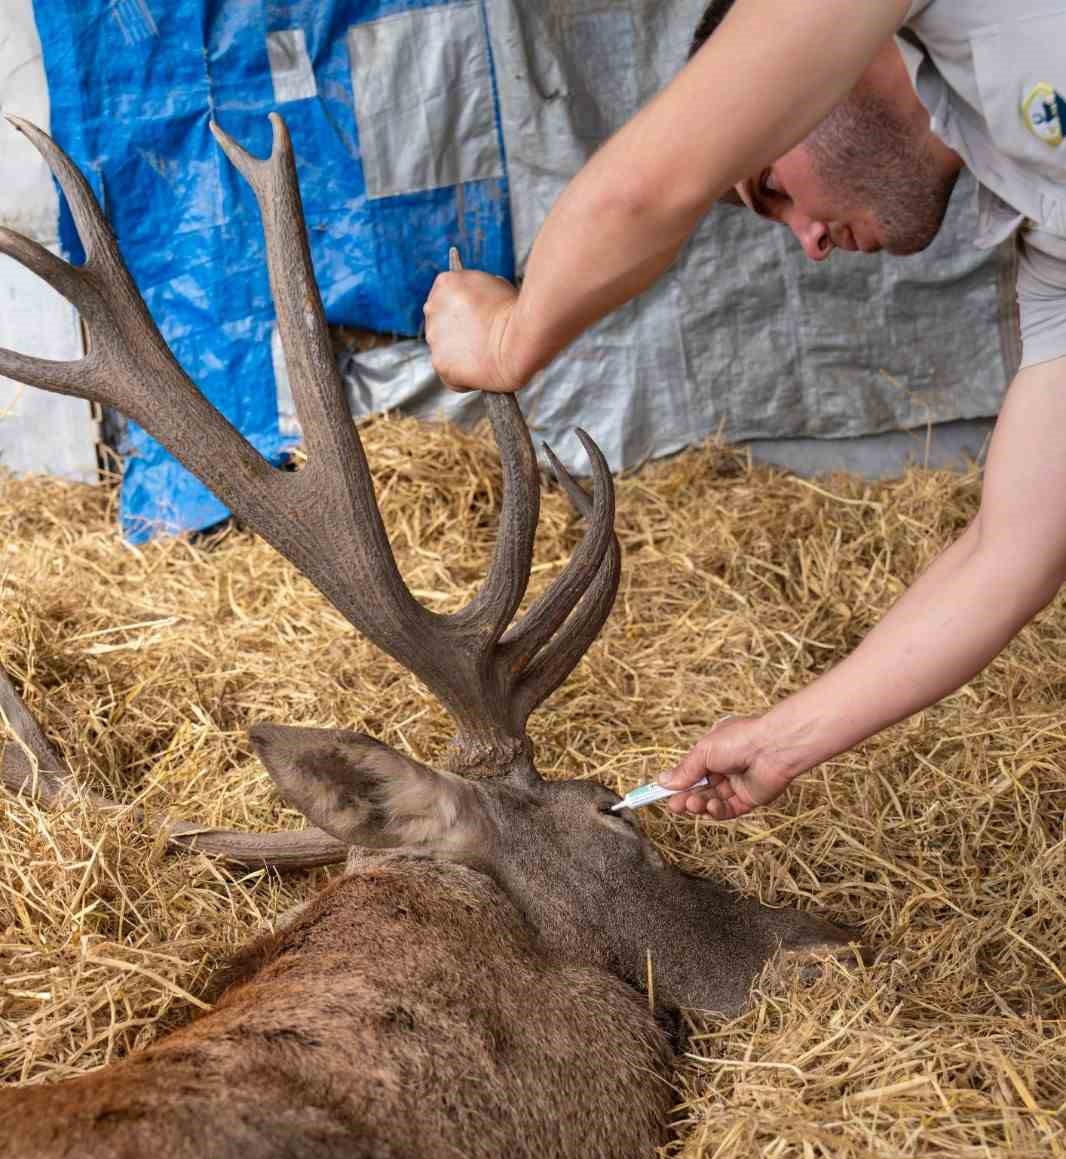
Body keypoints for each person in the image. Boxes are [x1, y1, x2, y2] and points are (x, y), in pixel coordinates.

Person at [424, 0, 1066, 821]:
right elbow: (1009, 554)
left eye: (771, 187)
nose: (810, 242)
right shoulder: (1050, 237)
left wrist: (510, 338)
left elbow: (652, 188)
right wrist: (782, 740)